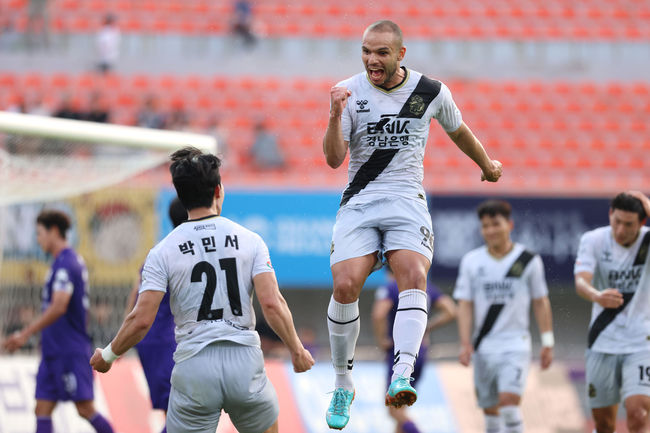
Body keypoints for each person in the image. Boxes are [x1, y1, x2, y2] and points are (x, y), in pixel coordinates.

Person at [322, 19, 502, 429]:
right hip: (360, 200)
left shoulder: (430, 92)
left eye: (381, 53)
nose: (372, 60)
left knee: (414, 275)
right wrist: (334, 115)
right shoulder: (348, 92)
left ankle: (402, 371)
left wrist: (487, 165)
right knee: (345, 285)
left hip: (406, 198)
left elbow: (459, 131)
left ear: (400, 54)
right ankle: (342, 383)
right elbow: (334, 159)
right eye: (366, 51)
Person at [90, 146, 314, 433]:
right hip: (244, 362)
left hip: (194, 365)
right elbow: (272, 304)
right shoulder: (250, 240)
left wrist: (109, 355)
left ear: (181, 197)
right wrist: (296, 349)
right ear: (218, 190)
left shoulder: (162, 252)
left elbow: (141, 319)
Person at [3, 209, 114, 433]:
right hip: (53, 351)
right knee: (42, 408)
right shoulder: (59, 263)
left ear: (54, 231)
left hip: (69, 351)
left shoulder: (67, 263)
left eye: (40, 233)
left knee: (85, 408)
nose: (38, 239)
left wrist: (25, 333)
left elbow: (59, 306)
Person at [453, 200, 554, 433]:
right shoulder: (472, 261)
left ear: (510, 225)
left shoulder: (528, 260)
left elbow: (540, 301)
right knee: (490, 412)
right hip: (484, 346)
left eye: (495, 224)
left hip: (515, 344)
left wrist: (548, 342)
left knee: (508, 405)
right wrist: (465, 343)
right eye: (485, 226)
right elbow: (465, 305)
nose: (490, 230)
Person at [574, 191, 650, 433]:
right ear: (610, 214)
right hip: (602, 340)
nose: (620, 230)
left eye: (628, 225)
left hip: (641, 342)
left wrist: (647, 203)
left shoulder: (647, 242)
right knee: (604, 424)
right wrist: (596, 295)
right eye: (616, 221)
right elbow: (581, 281)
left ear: (642, 222)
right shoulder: (593, 240)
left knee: (639, 414)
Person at [122, 197, 186, 433]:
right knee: (178, 412)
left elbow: (134, 297)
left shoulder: (158, 252)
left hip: (152, 341)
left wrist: (123, 336)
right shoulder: (179, 254)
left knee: (179, 413)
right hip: (163, 342)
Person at [372, 267, 456, 433]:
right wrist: (426, 328)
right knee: (400, 406)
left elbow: (379, 314)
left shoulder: (392, 286)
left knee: (393, 408)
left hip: (399, 354)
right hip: (421, 352)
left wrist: (382, 339)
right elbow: (451, 310)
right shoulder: (426, 287)